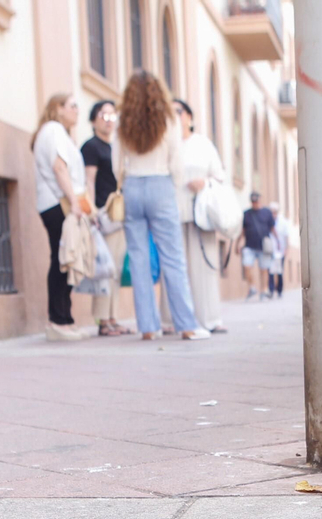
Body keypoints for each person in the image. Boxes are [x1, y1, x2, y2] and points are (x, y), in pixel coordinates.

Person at [114, 72, 208, 341]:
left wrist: (124, 184)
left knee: (139, 258)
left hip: (132, 185)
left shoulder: (123, 122)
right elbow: (176, 161)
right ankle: (186, 325)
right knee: (173, 257)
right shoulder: (168, 120)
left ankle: (148, 327)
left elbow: (115, 161)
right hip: (161, 184)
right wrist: (173, 186)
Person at [32, 93, 91, 341]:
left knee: (64, 258)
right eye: (72, 106)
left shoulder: (58, 132)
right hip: (59, 204)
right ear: (57, 108)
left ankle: (65, 319)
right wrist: (74, 202)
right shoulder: (53, 129)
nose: (77, 110)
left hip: (60, 203)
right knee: (61, 259)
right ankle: (57, 322)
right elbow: (59, 167)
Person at [172, 98, 228, 334]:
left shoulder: (203, 144)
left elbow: (220, 176)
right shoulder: (167, 145)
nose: (175, 117)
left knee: (203, 268)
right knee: (176, 267)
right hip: (173, 213)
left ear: (189, 116)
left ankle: (210, 319)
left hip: (201, 213)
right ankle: (174, 320)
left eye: (179, 112)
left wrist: (203, 182)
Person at [80, 100, 130, 337]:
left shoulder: (115, 148)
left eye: (112, 116)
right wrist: (91, 212)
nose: (108, 121)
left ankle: (113, 317)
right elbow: (89, 180)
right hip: (102, 213)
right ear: (93, 120)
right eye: (103, 115)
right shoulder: (91, 147)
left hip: (117, 215)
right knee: (104, 269)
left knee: (116, 269)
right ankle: (102, 320)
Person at [235, 193, 275, 300]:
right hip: (249, 245)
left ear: (260, 200)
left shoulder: (267, 212)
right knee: (246, 265)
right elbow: (242, 231)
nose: (255, 203)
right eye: (253, 201)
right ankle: (252, 287)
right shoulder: (246, 214)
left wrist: (278, 243)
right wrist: (237, 244)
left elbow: (272, 229)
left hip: (264, 246)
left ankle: (264, 290)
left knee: (264, 269)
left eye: (256, 201)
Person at [267, 201, 287, 298]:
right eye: (271, 212)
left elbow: (286, 238)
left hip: (280, 251)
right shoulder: (267, 222)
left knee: (279, 271)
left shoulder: (283, 223)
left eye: (274, 212)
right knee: (270, 271)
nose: (272, 214)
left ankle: (279, 290)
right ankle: (271, 290)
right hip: (270, 250)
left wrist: (286, 250)